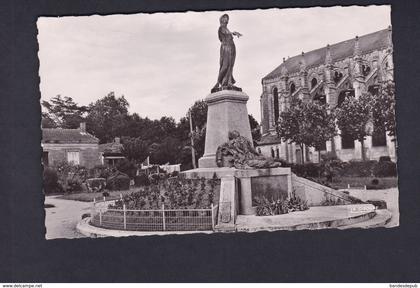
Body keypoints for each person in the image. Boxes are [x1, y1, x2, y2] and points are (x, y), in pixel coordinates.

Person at [216, 130, 282, 169]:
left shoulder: (242, 140)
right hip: (244, 161)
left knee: (267, 159)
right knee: (261, 162)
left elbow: (251, 149)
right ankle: (269, 164)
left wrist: (258, 154)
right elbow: (220, 148)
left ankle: (270, 163)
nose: (238, 139)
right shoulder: (229, 144)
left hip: (249, 157)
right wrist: (219, 160)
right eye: (236, 138)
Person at [212, 14, 242, 92]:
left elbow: (229, 34)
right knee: (225, 66)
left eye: (227, 18)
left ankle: (229, 82)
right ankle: (218, 82)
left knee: (230, 66)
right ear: (222, 20)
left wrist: (234, 33)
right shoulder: (221, 28)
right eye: (225, 18)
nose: (227, 19)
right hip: (226, 48)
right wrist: (232, 34)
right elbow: (222, 38)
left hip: (231, 47)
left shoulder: (226, 28)